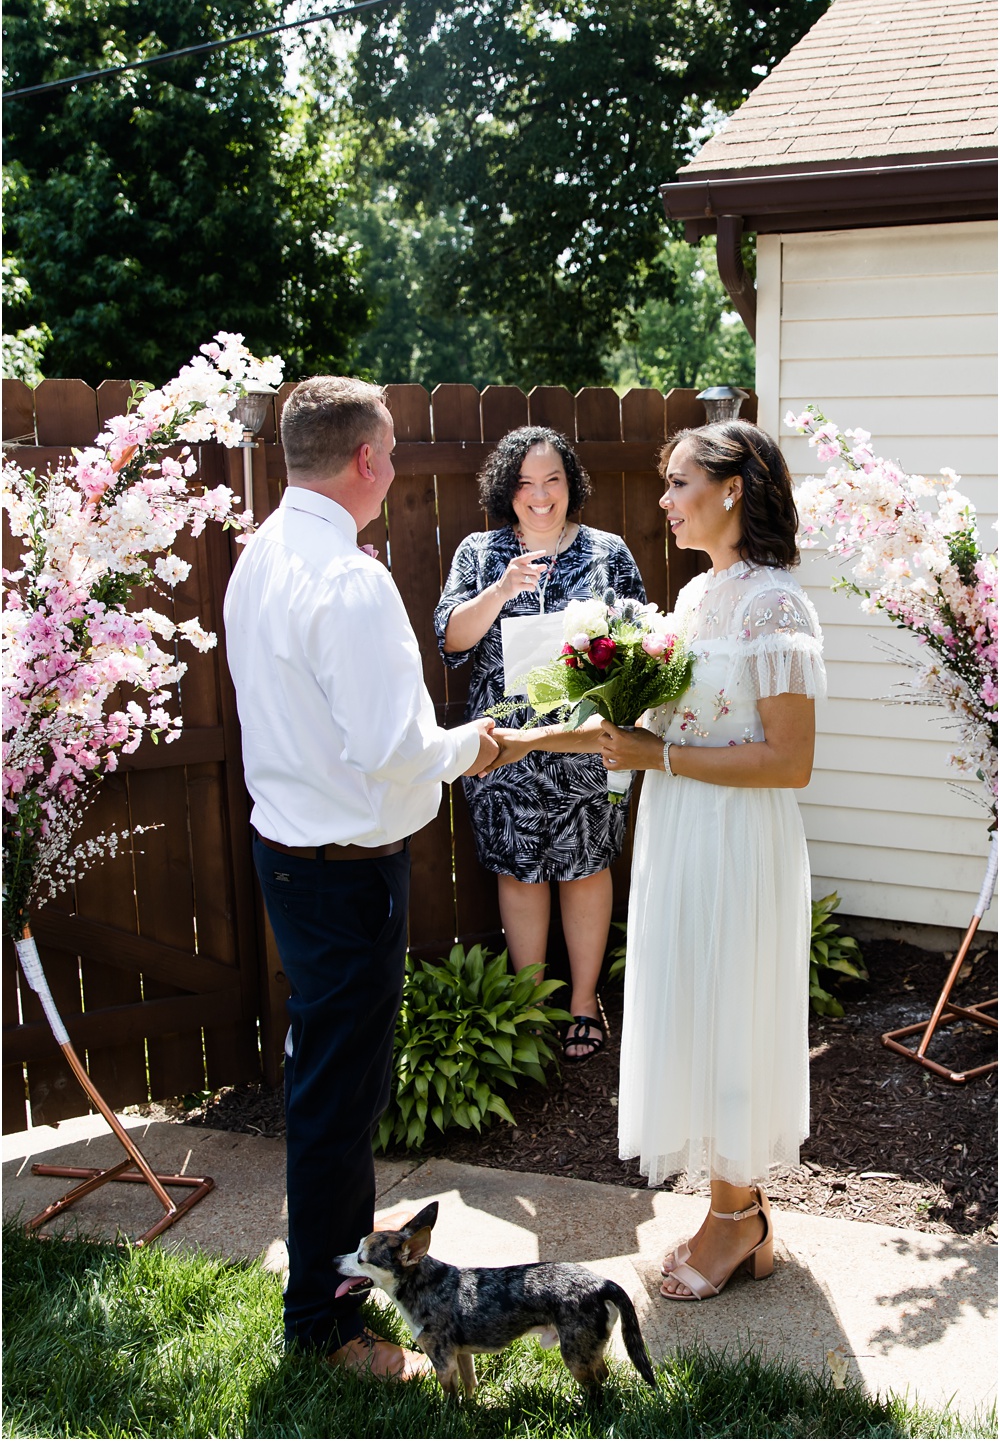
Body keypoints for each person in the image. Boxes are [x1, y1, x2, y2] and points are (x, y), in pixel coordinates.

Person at [488, 419, 824, 1301]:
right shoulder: (695, 600)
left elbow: (790, 761)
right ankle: (735, 1217)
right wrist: (520, 742)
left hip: (738, 841)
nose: (666, 501)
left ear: (734, 488)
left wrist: (659, 761)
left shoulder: (774, 605)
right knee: (698, 1009)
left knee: (733, 1011)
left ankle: (736, 1220)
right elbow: (634, 731)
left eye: (680, 484)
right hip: (680, 831)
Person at [223, 377, 498, 1379]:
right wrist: (481, 744)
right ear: (368, 461)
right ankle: (325, 1329)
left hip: (294, 859)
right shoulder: (347, 579)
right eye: (393, 452)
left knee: (340, 1087)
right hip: (341, 876)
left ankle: (334, 1242)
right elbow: (392, 748)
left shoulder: (261, 556)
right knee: (337, 1102)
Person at [434, 425, 645, 1061]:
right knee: (519, 869)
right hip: (504, 741)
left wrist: (607, 656)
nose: (541, 496)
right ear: (508, 489)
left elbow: (640, 642)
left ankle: (583, 1000)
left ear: (571, 484)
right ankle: (527, 1008)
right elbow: (451, 641)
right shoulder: (480, 551)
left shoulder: (608, 551)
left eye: (553, 480)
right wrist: (501, 590)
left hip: (584, 738)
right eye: (526, 483)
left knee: (587, 865)